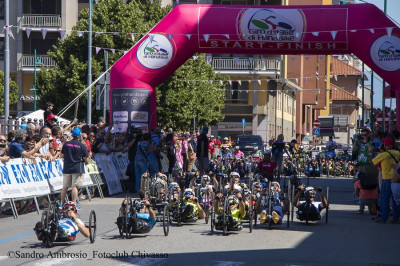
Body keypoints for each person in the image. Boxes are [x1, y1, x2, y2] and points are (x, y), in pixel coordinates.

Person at [372, 137, 400, 223]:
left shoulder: (383, 154)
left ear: (385, 145)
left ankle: (384, 218)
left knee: (385, 199)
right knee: (396, 199)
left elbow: (373, 162)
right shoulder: (398, 153)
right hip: (397, 178)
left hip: (387, 179)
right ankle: (396, 218)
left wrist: (371, 153)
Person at [60, 128, 89, 205]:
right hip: (77, 167)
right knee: (75, 186)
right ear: (80, 136)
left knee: (65, 186)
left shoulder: (66, 144)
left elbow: (62, 155)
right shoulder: (82, 146)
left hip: (67, 167)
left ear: (72, 135)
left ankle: (61, 203)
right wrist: (86, 162)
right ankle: (73, 203)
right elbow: (86, 159)